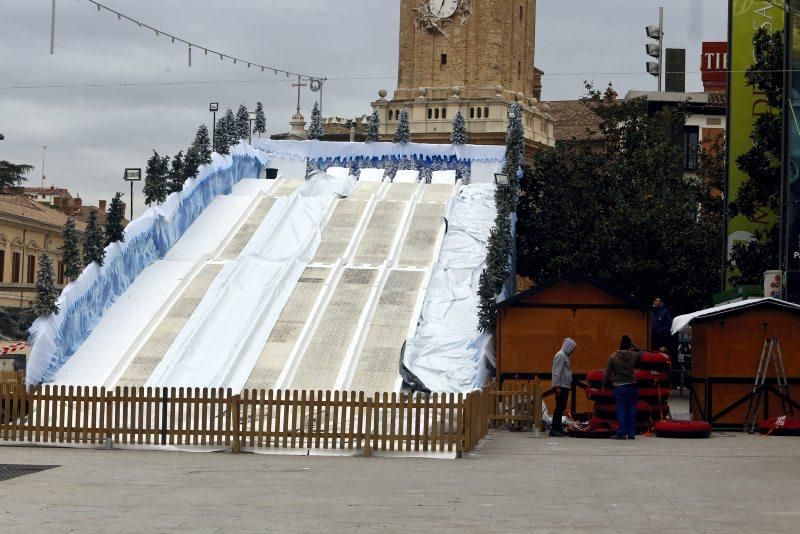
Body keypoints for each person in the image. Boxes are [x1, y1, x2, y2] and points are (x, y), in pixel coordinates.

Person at [603, 335, 643, 440]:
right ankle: (631, 433)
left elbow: (607, 373)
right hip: (632, 386)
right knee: (631, 410)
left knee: (621, 410)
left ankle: (621, 433)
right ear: (629, 345)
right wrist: (633, 344)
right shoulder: (633, 355)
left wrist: (604, 386)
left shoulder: (613, 356)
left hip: (619, 387)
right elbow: (641, 352)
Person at [549, 338, 576, 437]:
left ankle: (558, 428)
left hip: (564, 385)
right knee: (559, 407)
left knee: (561, 407)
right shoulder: (560, 355)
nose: (573, 351)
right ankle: (554, 429)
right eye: (572, 348)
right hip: (561, 386)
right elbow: (556, 372)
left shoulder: (564, 356)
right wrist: (557, 386)